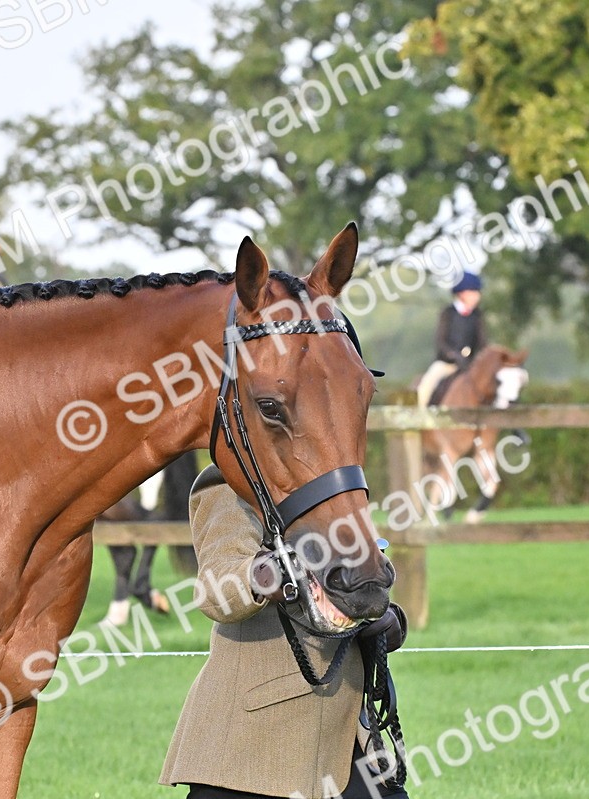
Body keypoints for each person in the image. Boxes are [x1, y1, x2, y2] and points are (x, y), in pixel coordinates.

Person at [160, 324, 408, 799]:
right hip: (251, 748)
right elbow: (216, 589)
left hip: (347, 735)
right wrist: (268, 574)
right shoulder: (227, 489)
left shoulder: (335, 496)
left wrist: (383, 619)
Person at [416, 271, 486, 408]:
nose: (478, 296)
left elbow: (482, 342)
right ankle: (421, 419)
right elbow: (441, 342)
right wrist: (454, 356)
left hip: (470, 365)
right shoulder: (447, 313)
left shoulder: (477, 315)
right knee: (425, 387)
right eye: (474, 292)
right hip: (447, 364)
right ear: (462, 293)